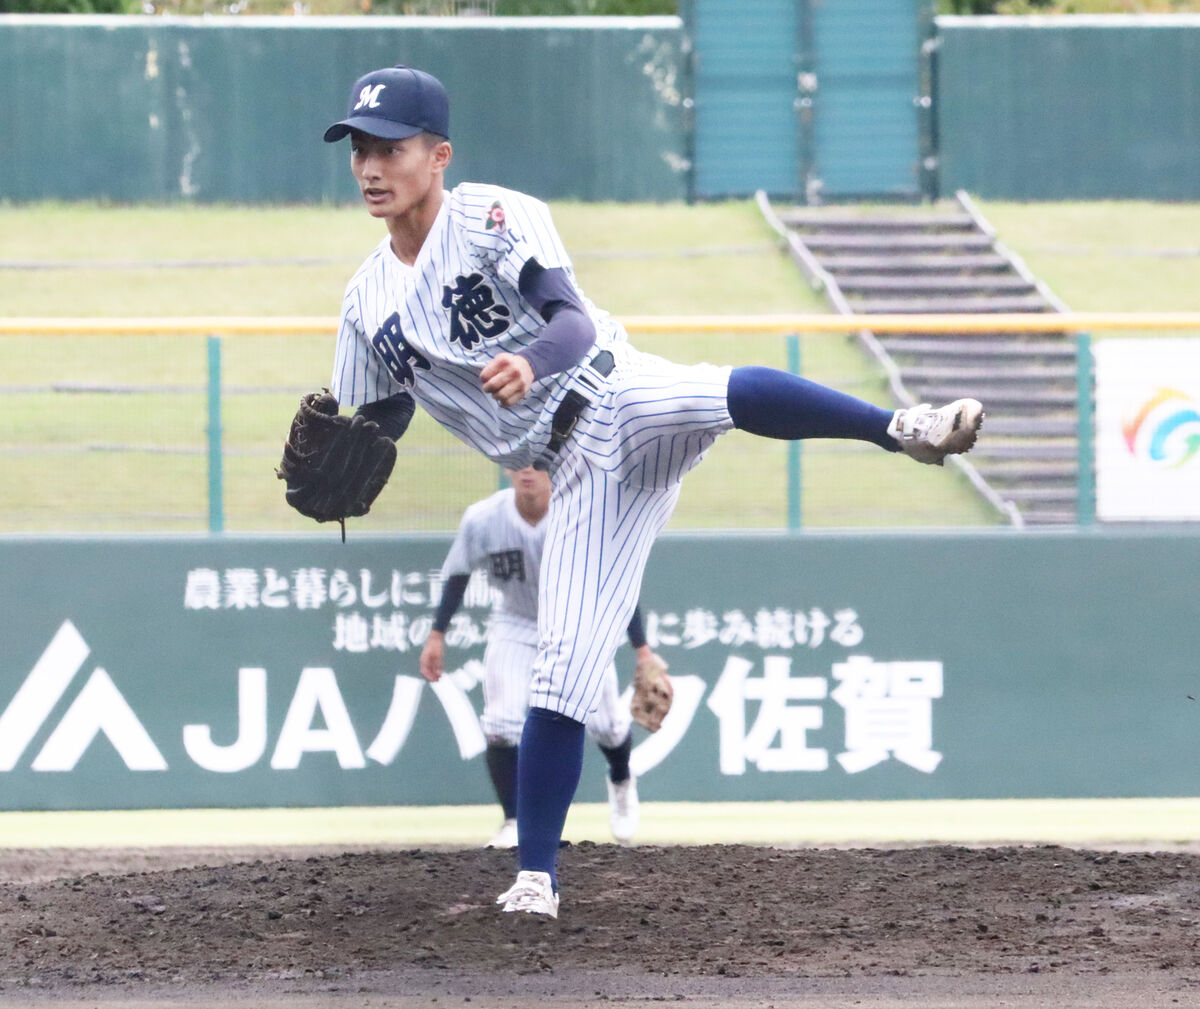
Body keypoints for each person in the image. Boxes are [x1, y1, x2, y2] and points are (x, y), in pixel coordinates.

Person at [314, 64, 984, 919]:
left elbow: (570, 318)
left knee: (709, 393)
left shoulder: (490, 216)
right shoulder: (365, 300)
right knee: (560, 673)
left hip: (611, 390)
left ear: (438, 154)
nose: (372, 167)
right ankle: (536, 878)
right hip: (574, 485)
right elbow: (378, 421)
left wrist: (534, 362)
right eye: (360, 150)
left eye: (391, 148)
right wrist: (346, 470)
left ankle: (899, 429)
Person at [419, 465, 659, 849]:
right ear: (505, 465)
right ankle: (514, 820)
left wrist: (642, 649)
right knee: (500, 722)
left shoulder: (581, 515)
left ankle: (620, 779)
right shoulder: (485, 519)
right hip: (516, 622)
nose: (528, 470)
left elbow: (615, 580)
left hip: (578, 624)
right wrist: (436, 634)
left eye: (539, 463)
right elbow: (458, 574)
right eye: (519, 461)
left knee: (609, 726)